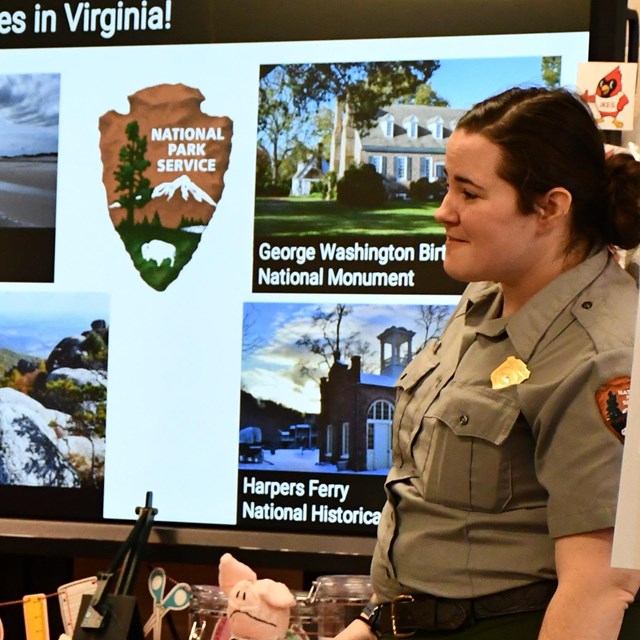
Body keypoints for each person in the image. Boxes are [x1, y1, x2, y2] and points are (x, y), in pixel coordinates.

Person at [336, 86, 640, 640]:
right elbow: (435, 519)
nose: (442, 210)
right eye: (448, 185)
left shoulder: (604, 355)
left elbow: (600, 587)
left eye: (469, 193)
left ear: (550, 207)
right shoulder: (486, 295)